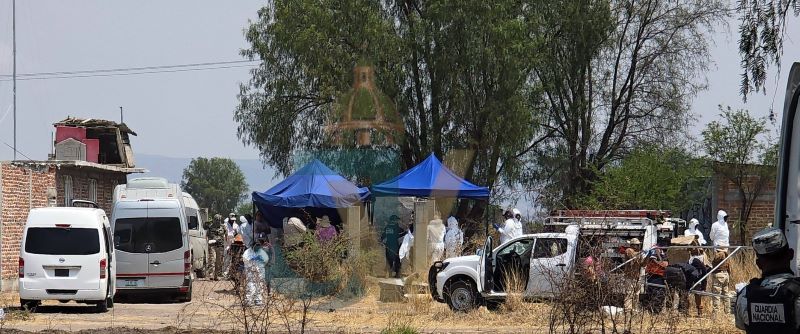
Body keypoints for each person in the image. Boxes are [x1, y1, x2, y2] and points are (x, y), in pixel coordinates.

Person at [735, 227, 800, 332]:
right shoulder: (796, 292)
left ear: (758, 264)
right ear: (791, 254)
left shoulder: (745, 295)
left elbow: (741, 325)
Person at [242, 235, 270, 306]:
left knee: (260, 285)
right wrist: (252, 260)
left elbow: (266, 260)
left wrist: (260, 260)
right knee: (251, 285)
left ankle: (258, 300)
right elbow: (245, 260)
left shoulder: (261, 252)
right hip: (250, 271)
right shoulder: (247, 252)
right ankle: (248, 300)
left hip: (260, 271)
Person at [623, 238, 643, 311]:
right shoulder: (629, 250)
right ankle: (627, 310)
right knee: (629, 294)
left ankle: (635, 310)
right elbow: (634, 257)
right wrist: (641, 253)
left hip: (637, 276)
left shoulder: (639, 253)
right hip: (629, 277)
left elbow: (642, 264)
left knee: (636, 295)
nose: (638, 246)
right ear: (632, 245)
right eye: (637, 245)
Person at [710, 249, 731, 314]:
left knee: (716, 294)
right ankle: (727, 312)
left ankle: (715, 314)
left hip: (719, 275)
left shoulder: (720, 254)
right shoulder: (726, 255)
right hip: (725, 274)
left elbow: (716, 259)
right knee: (726, 294)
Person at [207, 214, 225, 280]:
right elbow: (207, 235)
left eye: (219, 220)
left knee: (219, 261)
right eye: (216, 220)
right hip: (212, 246)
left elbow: (226, 235)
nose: (218, 221)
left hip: (220, 246)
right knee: (212, 259)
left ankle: (216, 275)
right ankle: (211, 274)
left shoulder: (223, 227)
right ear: (214, 220)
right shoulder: (210, 227)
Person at [223, 212, 240, 278]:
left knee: (233, 258)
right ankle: (224, 272)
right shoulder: (225, 225)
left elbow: (238, 234)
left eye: (234, 219)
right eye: (231, 219)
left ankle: (231, 273)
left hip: (234, 243)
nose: (233, 220)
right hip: (226, 242)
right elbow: (224, 234)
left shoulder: (236, 225)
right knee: (226, 257)